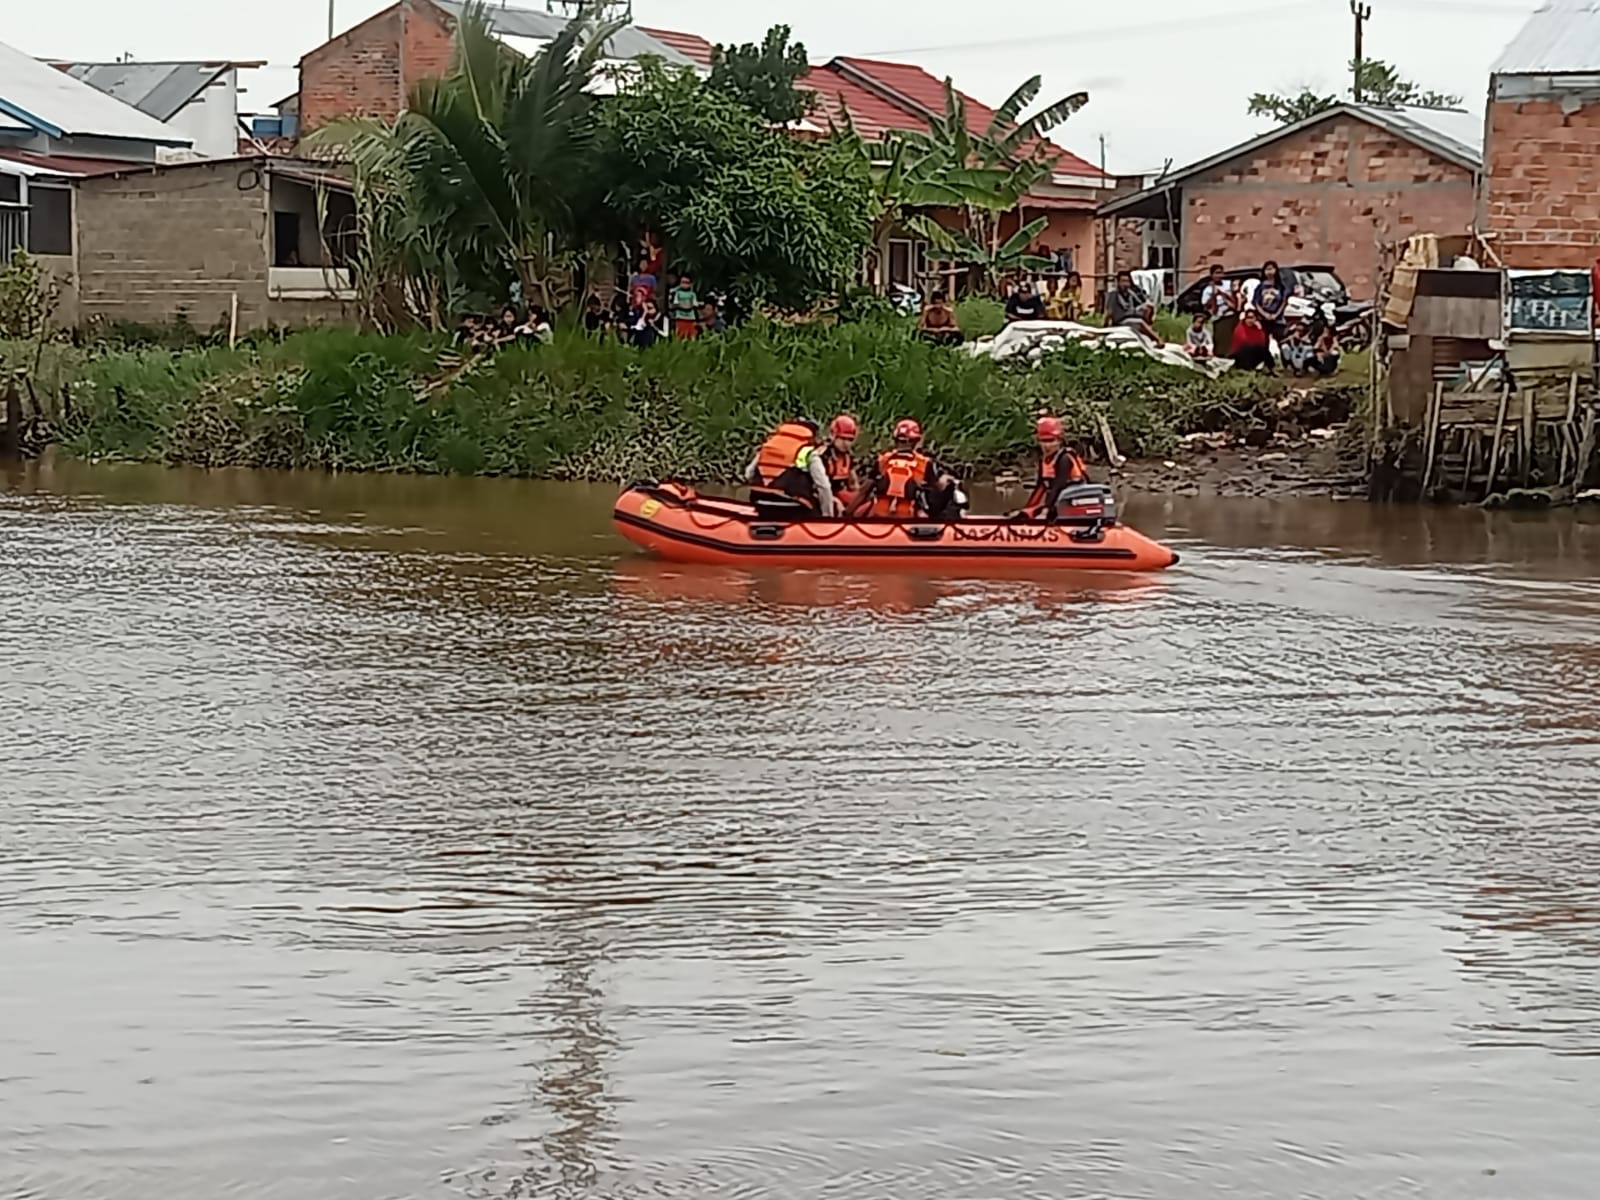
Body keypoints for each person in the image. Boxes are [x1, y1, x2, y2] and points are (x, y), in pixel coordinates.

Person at [849, 418, 959, 520]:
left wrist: (846, 515)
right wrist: (946, 480)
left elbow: (863, 492)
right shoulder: (925, 464)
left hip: (880, 516)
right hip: (910, 518)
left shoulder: (882, 461)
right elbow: (937, 492)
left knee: (861, 512)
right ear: (916, 442)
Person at [745, 419, 835, 517]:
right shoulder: (807, 451)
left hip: (760, 503)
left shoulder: (768, 446)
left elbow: (748, 474)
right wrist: (827, 516)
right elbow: (823, 486)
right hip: (793, 508)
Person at [1018, 415, 1090, 521]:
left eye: (1051, 441)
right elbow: (1040, 487)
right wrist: (1026, 510)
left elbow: (1058, 486)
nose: (1047, 446)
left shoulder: (1064, 459)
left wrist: (1046, 510)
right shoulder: (1044, 460)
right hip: (1059, 503)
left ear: (1059, 441)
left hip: (1074, 503)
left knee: (1048, 510)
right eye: (1043, 441)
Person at [820, 414, 860, 507]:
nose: (845, 443)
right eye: (842, 438)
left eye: (849, 439)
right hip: (823, 495)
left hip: (840, 493)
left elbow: (853, 484)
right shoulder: (823, 456)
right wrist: (833, 500)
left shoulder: (848, 457)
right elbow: (816, 488)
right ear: (834, 436)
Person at [1251, 260, 1290, 339]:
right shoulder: (1260, 287)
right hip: (1263, 320)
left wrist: (1276, 314)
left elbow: (1284, 301)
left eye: (1271, 269)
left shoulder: (1280, 286)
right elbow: (1256, 302)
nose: (1269, 272)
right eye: (1267, 269)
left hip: (1278, 319)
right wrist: (1265, 314)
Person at [1230, 308, 1274, 372]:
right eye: (1248, 318)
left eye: (1252, 318)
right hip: (1241, 354)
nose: (1250, 320)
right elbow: (1244, 341)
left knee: (1264, 350)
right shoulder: (1240, 327)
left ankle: (1271, 368)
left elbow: (1263, 343)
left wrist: (1260, 330)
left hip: (1253, 353)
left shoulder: (1256, 328)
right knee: (1249, 347)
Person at [669, 271, 699, 339]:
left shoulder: (692, 294)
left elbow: (695, 304)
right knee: (679, 335)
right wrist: (685, 306)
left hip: (691, 318)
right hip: (680, 317)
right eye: (683, 282)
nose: (685, 285)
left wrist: (687, 306)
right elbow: (676, 303)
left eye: (687, 283)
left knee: (691, 336)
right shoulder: (678, 293)